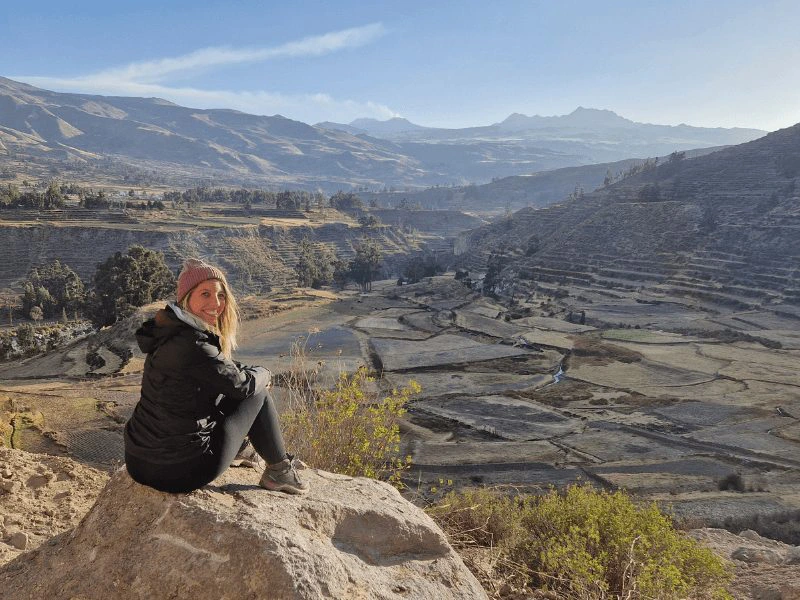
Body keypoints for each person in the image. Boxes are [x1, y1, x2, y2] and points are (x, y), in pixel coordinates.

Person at [124, 258, 308, 495]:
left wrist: (248, 373)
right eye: (205, 294)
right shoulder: (194, 345)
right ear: (186, 297)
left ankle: (240, 448)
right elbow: (242, 386)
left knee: (226, 387)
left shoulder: (168, 332)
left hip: (138, 462)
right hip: (178, 471)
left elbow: (218, 371)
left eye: (221, 295)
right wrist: (265, 372)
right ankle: (279, 471)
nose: (217, 303)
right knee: (257, 393)